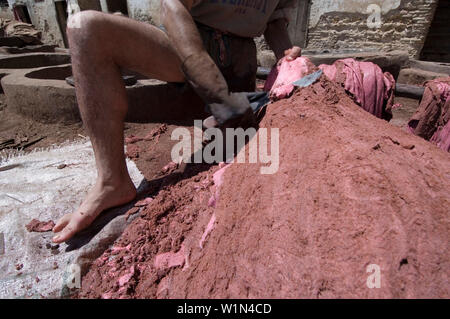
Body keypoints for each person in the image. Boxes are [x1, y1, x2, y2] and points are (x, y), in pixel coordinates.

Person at [52, 0, 301, 243]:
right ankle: (111, 180)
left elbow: (275, 19)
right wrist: (210, 81)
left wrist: (288, 60)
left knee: (235, 139)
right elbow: (173, 6)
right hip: (187, 41)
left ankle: (220, 116)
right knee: (86, 27)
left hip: (240, 59)